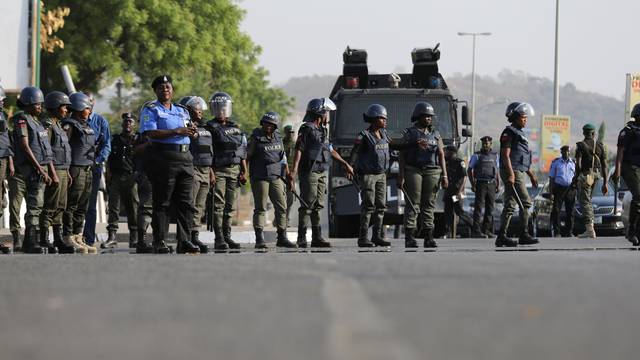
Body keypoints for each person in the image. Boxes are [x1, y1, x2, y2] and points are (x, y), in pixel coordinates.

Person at [139, 75, 199, 254]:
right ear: (155, 91)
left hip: (185, 157)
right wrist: (175, 131)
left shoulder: (182, 110)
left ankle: (184, 240)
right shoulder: (151, 109)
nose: (165, 90)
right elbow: (149, 133)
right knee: (162, 202)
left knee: (186, 203)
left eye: (168, 87)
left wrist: (193, 132)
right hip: (164, 158)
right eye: (161, 87)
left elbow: (190, 130)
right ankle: (160, 241)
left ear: (172, 90)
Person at [290, 97, 354, 248]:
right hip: (309, 171)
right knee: (307, 205)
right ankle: (301, 238)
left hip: (321, 171)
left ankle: (317, 238)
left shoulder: (323, 131)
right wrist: (293, 171)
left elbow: (331, 150)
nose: (327, 116)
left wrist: (345, 164)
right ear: (319, 113)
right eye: (326, 113)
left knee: (318, 205)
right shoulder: (307, 129)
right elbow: (299, 150)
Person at [11, 86, 57, 254]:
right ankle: (24, 240)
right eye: (37, 104)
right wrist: (41, 169)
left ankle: (31, 241)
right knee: (24, 206)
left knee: (36, 206)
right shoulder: (22, 119)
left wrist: (48, 170)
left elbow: (45, 149)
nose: (40, 107)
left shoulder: (38, 123)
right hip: (25, 170)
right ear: (29, 103)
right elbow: (24, 145)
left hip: (37, 171)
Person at [398, 102, 448, 248]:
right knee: (413, 204)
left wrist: (445, 175)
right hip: (413, 170)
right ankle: (409, 237)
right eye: (425, 116)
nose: (428, 119)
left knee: (429, 204)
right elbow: (402, 154)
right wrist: (401, 175)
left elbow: (441, 154)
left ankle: (429, 236)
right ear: (418, 116)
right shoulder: (409, 133)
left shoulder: (436, 134)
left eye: (430, 116)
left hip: (432, 171)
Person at [247, 111, 297, 249]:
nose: (268, 127)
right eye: (266, 124)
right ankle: (259, 239)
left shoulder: (278, 138)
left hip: (277, 176)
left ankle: (282, 237)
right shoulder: (255, 138)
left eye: (271, 125)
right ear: (262, 123)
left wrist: (289, 175)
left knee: (282, 207)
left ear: (275, 126)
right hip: (260, 177)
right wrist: (243, 173)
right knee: (261, 208)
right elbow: (247, 157)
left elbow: (283, 158)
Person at [206, 92, 247, 250]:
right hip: (219, 170)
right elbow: (207, 152)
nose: (221, 111)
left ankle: (227, 236)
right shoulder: (209, 127)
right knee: (218, 205)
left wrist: (244, 171)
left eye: (224, 108)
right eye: (218, 108)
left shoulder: (235, 127)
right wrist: (211, 172)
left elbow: (241, 151)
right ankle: (219, 238)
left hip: (234, 170)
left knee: (230, 206)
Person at [495, 102, 539, 247]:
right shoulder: (509, 133)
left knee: (510, 205)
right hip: (512, 171)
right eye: (523, 117)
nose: (526, 119)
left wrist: (531, 174)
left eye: (526, 117)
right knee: (526, 203)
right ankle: (524, 234)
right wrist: (511, 174)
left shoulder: (520, 134)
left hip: (517, 170)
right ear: (515, 117)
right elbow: (505, 155)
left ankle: (501, 236)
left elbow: (521, 158)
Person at [349, 104, 392, 247]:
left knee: (381, 207)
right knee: (368, 207)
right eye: (382, 118)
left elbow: (395, 145)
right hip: (368, 176)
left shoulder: (384, 134)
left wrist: (412, 144)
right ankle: (363, 238)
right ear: (374, 119)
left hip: (381, 175)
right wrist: (349, 166)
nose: (385, 120)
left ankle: (377, 236)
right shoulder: (364, 135)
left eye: (385, 118)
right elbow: (355, 152)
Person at [40, 91, 77, 254]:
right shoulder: (48, 126)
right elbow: (46, 152)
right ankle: (44, 239)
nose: (67, 111)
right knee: (50, 206)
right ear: (55, 106)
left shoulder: (59, 126)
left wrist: (67, 171)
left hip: (63, 170)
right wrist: (53, 173)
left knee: (61, 207)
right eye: (64, 107)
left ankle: (58, 239)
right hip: (54, 170)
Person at [62, 92, 98, 254]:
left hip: (88, 168)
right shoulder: (70, 125)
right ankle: (68, 236)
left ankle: (78, 236)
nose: (89, 111)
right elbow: (65, 148)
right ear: (77, 108)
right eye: (86, 108)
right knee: (72, 204)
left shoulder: (86, 125)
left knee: (83, 205)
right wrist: (67, 170)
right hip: (75, 168)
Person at [103, 113, 139, 249]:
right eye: (125, 122)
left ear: (134, 124)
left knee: (133, 209)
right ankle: (112, 237)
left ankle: (134, 238)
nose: (128, 124)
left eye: (130, 122)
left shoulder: (137, 140)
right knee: (113, 208)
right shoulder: (115, 140)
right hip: (116, 177)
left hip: (132, 177)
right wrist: (108, 179)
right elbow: (109, 161)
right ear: (122, 124)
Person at [183, 96, 211, 253]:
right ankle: (186, 237)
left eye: (201, 109)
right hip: (193, 168)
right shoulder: (185, 126)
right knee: (191, 204)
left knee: (200, 206)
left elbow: (209, 151)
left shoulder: (205, 128)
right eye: (196, 108)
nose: (200, 111)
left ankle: (195, 235)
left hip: (206, 170)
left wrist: (211, 171)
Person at [82, 92, 111, 246]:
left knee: (90, 206)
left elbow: (107, 145)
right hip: (77, 168)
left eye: (90, 101)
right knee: (74, 204)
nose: (88, 104)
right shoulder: (74, 120)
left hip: (94, 167)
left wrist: (98, 160)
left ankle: (88, 238)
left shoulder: (100, 121)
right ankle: (72, 236)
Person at [574, 123, 608, 238]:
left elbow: (578, 165)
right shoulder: (600, 145)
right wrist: (605, 183)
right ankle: (590, 227)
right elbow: (604, 166)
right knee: (588, 200)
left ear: (584, 133)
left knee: (585, 202)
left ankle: (590, 229)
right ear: (594, 133)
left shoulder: (580, 145)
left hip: (586, 176)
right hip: (596, 176)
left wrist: (576, 177)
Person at [613, 103, 640, 246]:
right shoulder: (628, 131)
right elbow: (620, 153)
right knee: (638, 195)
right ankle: (631, 230)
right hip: (629, 167)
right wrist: (617, 171)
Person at [467, 136, 499, 238]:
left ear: (491, 144)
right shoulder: (477, 156)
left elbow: (496, 170)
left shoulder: (495, 155)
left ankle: (486, 230)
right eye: (484, 143)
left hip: (492, 184)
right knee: (478, 209)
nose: (486, 145)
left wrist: (498, 183)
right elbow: (469, 170)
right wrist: (473, 184)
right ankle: (476, 231)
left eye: (487, 143)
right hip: (481, 183)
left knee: (490, 208)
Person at [132, 118, 153, 253]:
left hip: (163, 173)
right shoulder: (141, 135)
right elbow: (134, 150)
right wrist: (149, 144)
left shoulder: (164, 132)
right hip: (147, 174)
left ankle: (158, 239)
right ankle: (142, 240)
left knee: (160, 208)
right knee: (146, 207)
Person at [443, 145, 473, 238]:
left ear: (453, 153)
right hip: (448, 191)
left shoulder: (460, 162)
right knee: (447, 212)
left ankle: (474, 227)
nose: (446, 153)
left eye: (447, 151)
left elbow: (464, 177)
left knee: (459, 211)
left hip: (458, 192)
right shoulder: (446, 162)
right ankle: (448, 232)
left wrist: (460, 191)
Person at [548, 145, 576, 237]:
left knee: (570, 211)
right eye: (564, 151)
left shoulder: (573, 163)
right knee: (556, 210)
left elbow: (576, 177)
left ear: (569, 152)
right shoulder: (556, 163)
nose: (566, 153)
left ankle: (569, 232)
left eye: (567, 151)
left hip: (570, 189)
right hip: (559, 189)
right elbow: (551, 178)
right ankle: (557, 232)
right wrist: (551, 193)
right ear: (561, 152)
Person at [0, 86, 15, 254]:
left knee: (1, 200)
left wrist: (10, 161)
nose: (3, 101)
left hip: (3, 159)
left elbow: (5, 141)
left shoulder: (2, 115)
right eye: (0, 99)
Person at [283, 124, 296, 227]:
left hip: (292, 175)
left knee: (290, 199)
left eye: (292, 132)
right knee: (280, 198)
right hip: (281, 174)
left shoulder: (296, 145)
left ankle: (286, 218)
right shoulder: (281, 144)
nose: (291, 134)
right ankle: (280, 218)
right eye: (289, 132)